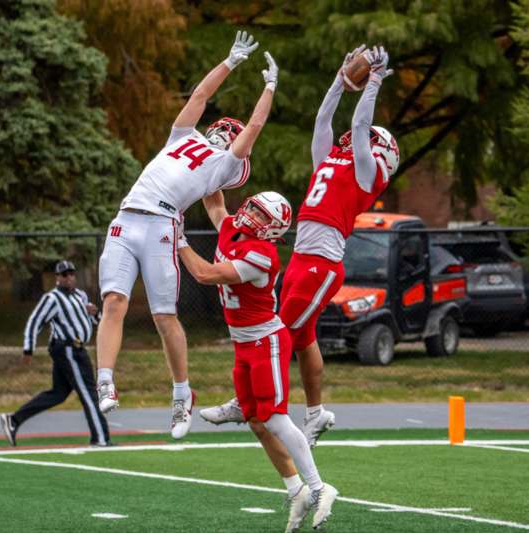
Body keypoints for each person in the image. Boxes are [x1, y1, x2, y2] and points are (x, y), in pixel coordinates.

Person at [201, 45, 400, 447]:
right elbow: (323, 120)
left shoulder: (366, 173)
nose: (349, 140)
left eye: (364, 140)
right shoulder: (333, 162)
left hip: (322, 263)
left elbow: (361, 128)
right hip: (302, 258)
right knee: (303, 336)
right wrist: (339, 81)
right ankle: (315, 413)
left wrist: (374, 81)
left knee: (276, 333)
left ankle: (246, 403)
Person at [96, 30, 280, 440]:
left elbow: (254, 126)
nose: (223, 133)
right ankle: (105, 379)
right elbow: (198, 97)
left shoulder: (223, 167)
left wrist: (268, 88)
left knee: (164, 316)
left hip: (163, 224)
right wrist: (229, 62)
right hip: (128, 216)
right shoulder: (184, 137)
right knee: (114, 301)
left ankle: (182, 394)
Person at [177, 191, 338, 532]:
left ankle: (320, 487)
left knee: (276, 419)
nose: (251, 215)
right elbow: (215, 205)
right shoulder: (234, 229)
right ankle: (296, 490)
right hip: (244, 344)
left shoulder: (262, 254)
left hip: (266, 342)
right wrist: (216, 164)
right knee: (255, 421)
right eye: (253, 207)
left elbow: (205, 274)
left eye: (262, 215)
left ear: (274, 229)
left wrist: (177, 240)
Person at [0, 261, 110, 447]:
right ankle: (100, 439)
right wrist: (28, 349)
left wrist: (95, 313)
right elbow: (35, 321)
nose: (68, 277)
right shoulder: (52, 298)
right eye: (64, 274)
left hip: (77, 348)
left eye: (71, 274)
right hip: (68, 349)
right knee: (89, 393)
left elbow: (96, 320)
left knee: (58, 393)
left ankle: (14, 420)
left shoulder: (80, 295)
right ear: (57, 277)